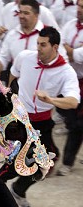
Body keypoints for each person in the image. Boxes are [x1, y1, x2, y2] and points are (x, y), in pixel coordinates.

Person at [5, 26, 80, 207]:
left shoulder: (66, 71)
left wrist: (51, 99)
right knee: (15, 159)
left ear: (55, 47)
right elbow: (13, 75)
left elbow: (73, 102)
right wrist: (9, 97)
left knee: (47, 160)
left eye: (43, 45)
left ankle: (17, 188)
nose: (38, 48)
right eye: (38, 43)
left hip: (42, 122)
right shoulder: (25, 57)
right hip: (19, 118)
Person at [56, 0, 83, 175]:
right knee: (67, 115)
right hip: (67, 78)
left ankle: (67, 162)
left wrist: (71, 51)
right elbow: (60, 47)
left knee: (78, 125)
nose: (79, 10)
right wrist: (71, 50)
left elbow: (75, 55)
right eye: (79, 6)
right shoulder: (70, 25)